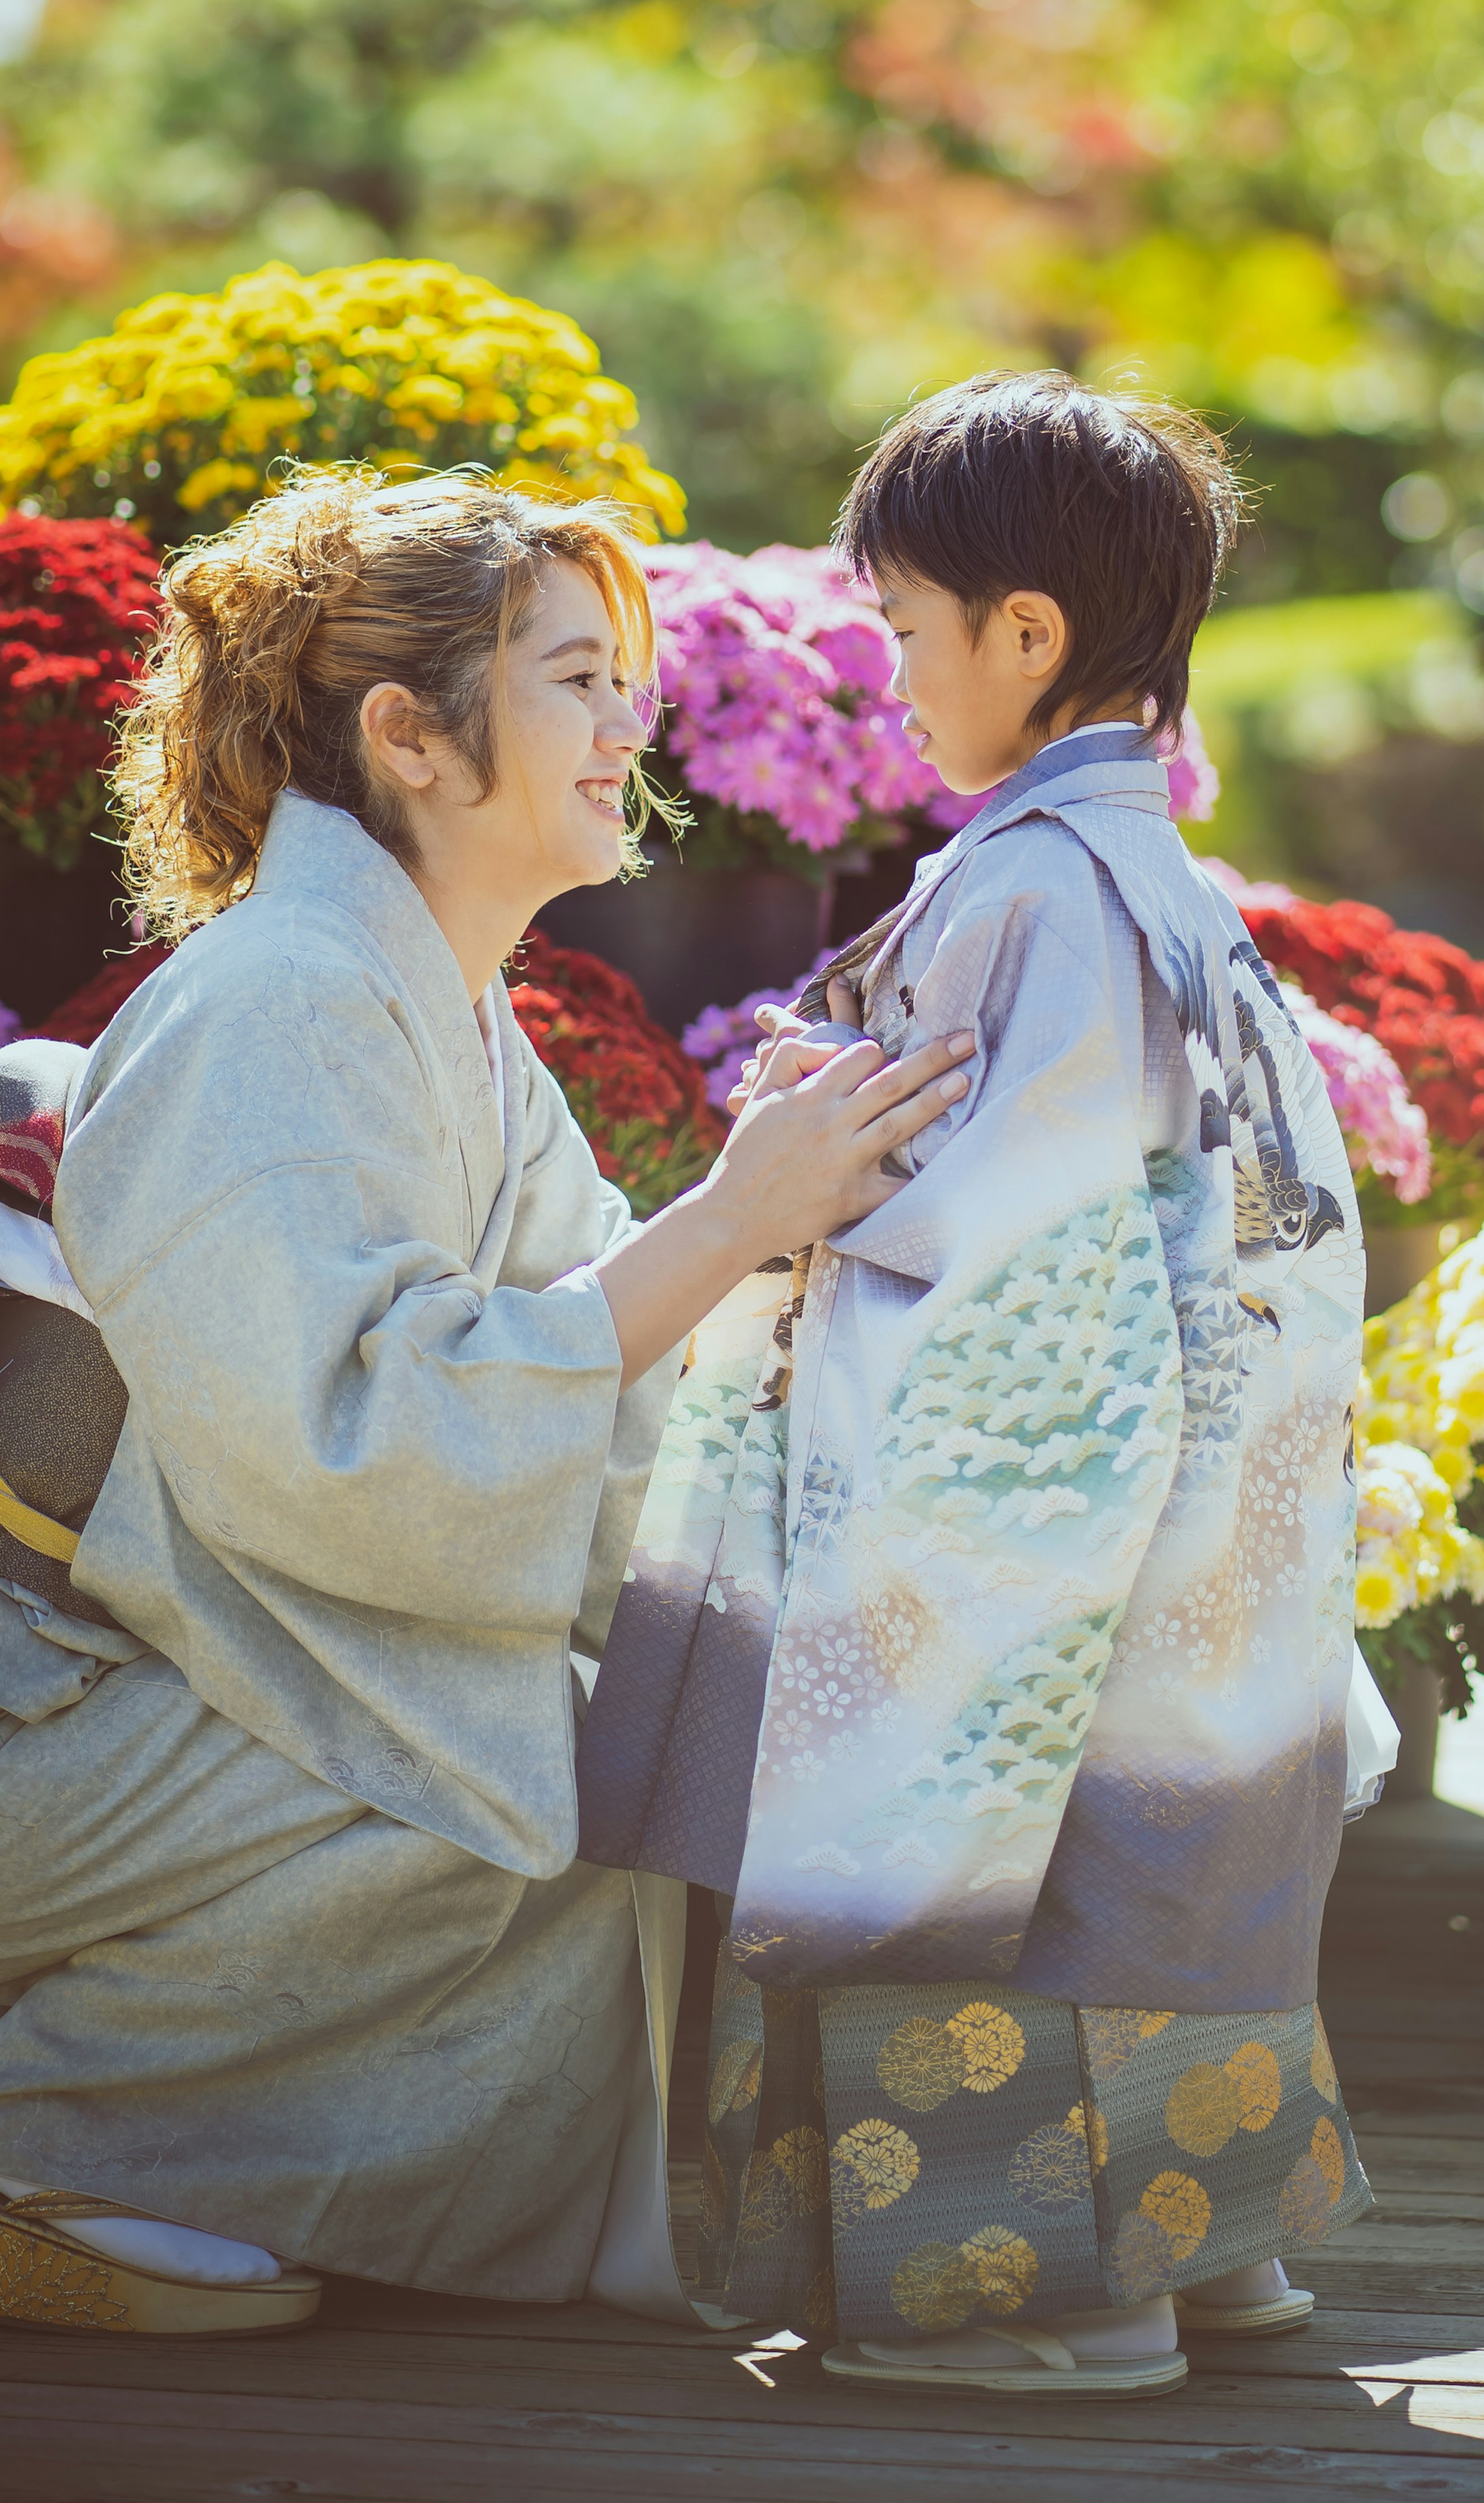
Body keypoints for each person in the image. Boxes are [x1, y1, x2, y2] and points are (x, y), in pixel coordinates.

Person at [0, 470, 967, 2339]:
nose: (629, 724)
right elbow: (356, 1449)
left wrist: (789, 1281)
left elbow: (617, 1382)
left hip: (119, 1684)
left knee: (627, 1734)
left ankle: (598, 2201)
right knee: (545, 1756)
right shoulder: (277, 999)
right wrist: (736, 1214)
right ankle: (48, 2139)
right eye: (575, 677)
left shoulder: (453, 1017)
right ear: (409, 735)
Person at [580, 373, 1372, 2397]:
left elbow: (1020, 1278)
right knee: (1176, 1831)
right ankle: (1201, 2244)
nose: (892, 673)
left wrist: (812, 1193)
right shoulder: (1174, 894)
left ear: (1030, 637)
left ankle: (1052, 2294)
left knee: (1014, 1826)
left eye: (911, 629)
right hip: (1220, 1502)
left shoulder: (1025, 888)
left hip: (1065, 1496)